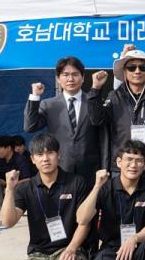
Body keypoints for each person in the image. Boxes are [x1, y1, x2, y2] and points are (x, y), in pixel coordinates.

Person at [0, 134, 90, 260]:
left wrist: (72, 248)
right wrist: (9, 189)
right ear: (32, 159)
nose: (45, 158)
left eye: (50, 153)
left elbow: (84, 223)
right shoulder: (26, 188)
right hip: (39, 255)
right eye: (39, 154)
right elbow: (8, 222)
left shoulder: (76, 182)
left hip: (69, 249)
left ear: (59, 155)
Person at [88, 50, 145, 182]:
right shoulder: (114, 96)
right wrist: (95, 89)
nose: (137, 71)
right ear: (124, 71)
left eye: (142, 67)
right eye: (131, 67)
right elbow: (97, 120)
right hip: (121, 166)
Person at [25, 56, 104, 186]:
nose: (70, 79)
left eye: (75, 74)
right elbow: (30, 126)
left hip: (90, 169)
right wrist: (35, 96)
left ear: (83, 77)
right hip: (61, 168)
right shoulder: (49, 104)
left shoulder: (93, 101)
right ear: (58, 78)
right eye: (65, 75)